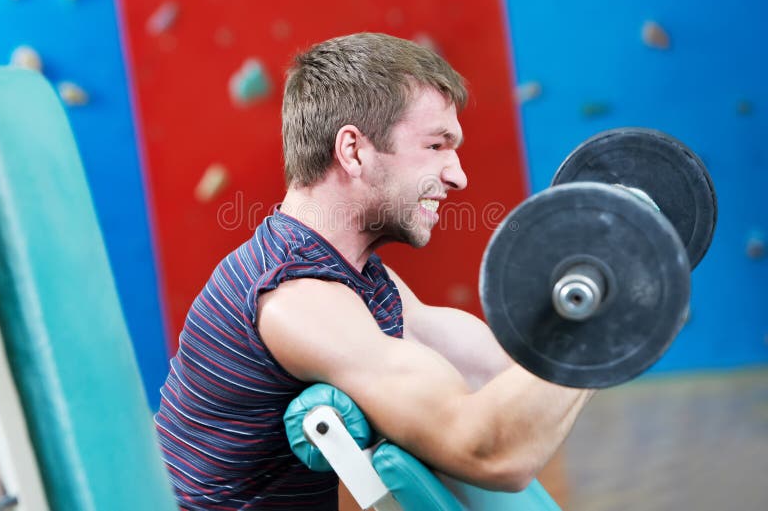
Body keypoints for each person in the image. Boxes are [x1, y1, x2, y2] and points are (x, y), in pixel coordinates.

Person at [155, 33, 593, 510]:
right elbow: (492, 451)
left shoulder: (351, 276)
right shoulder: (295, 299)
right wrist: (603, 310)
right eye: (435, 145)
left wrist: (608, 293)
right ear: (353, 151)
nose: (458, 176)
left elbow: (499, 374)